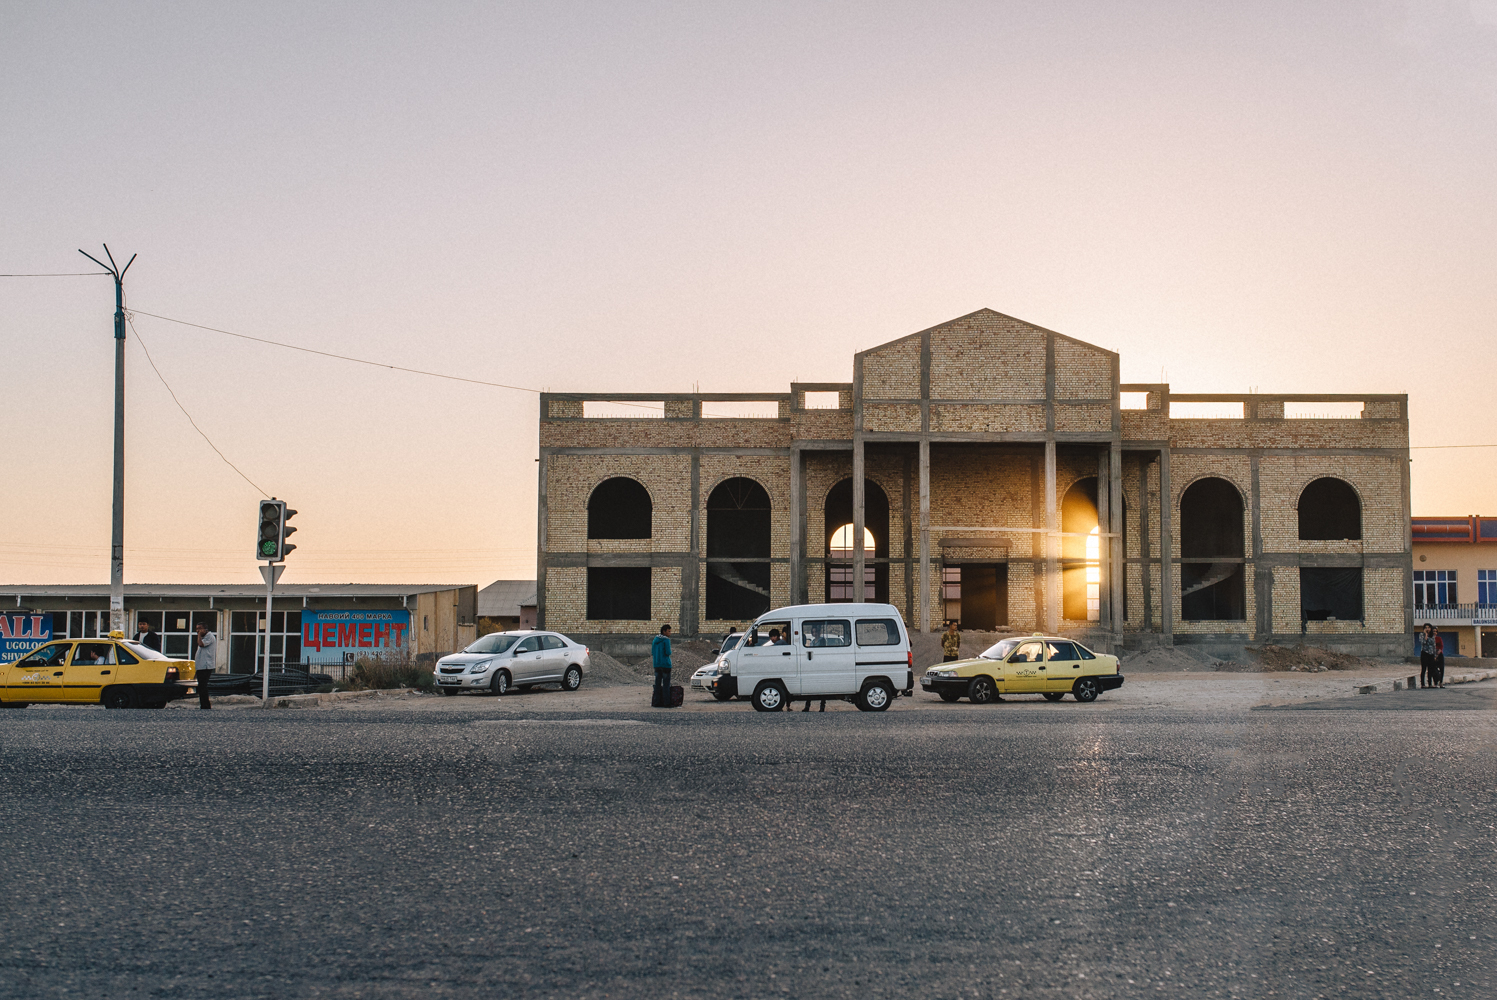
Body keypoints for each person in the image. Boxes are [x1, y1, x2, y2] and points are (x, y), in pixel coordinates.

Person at [192, 622, 216, 709]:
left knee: (203, 686)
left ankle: (205, 705)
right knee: (201, 686)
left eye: (199, 629)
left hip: (206, 666)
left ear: (205, 629)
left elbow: (201, 644)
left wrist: (198, 635)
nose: (197, 631)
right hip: (200, 665)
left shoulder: (209, 636)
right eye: (196, 629)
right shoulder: (203, 637)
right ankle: (203, 704)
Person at [651, 624, 674, 708]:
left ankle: (656, 702)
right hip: (666, 665)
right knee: (666, 685)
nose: (670, 633)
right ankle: (666, 702)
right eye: (669, 631)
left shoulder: (655, 640)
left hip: (656, 664)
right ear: (664, 631)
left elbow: (653, 652)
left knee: (657, 684)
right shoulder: (666, 640)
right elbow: (668, 652)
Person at [1419, 623, 1438, 689]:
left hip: (1431, 654)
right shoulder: (1421, 635)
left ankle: (1430, 683)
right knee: (1424, 669)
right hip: (1424, 653)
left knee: (1430, 669)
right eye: (1426, 628)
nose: (1427, 629)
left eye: (1429, 628)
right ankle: (1423, 684)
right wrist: (1426, 635)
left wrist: (1435, 655)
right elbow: (1423, 642)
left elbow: (1434, 645)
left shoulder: (1432, 636)